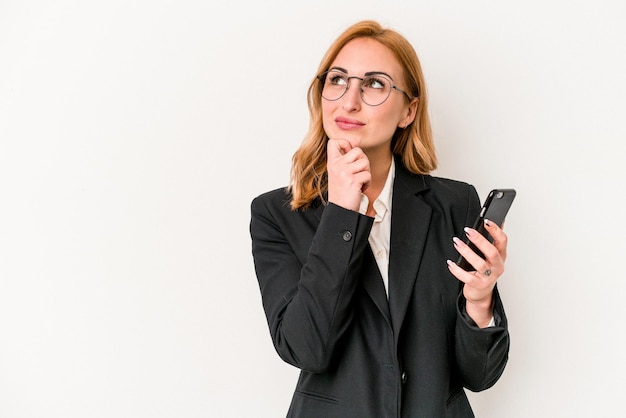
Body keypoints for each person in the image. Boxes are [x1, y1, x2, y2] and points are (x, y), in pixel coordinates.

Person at [250, 20, 510, 417]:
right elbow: (306, 349)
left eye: (374, 84)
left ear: (409, 110)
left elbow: (478, 376)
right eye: (338, 79)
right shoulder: (276, 215)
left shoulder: (454, 203)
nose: (349, 101)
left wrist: (478, 300)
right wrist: (340, 213)